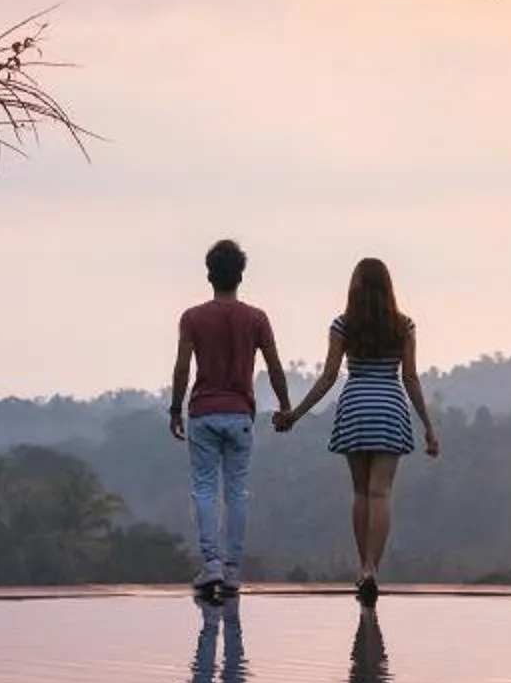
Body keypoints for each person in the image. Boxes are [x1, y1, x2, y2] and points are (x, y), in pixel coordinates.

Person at [275, 256, 439, 604]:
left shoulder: (343, 325)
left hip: (355, 408)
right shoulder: (404, 326)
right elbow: (410, 377)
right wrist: (427, 425)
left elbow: (329, 376)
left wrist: (296, 415)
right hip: (390, 409)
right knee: (381, 493)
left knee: (361, 493)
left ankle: (362, 566)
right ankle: (371, 569)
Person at [169, 239, 290, 606]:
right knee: (236, 492)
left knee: (205, 490)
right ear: (240, 276)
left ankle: (211, 564)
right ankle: (233, 569)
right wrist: (286, 406)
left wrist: (175, 409)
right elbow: (274, 365)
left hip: (203, 413)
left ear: (209, 275)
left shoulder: (193, 318)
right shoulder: (256, 318)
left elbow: (182, 367)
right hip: (239, 413)